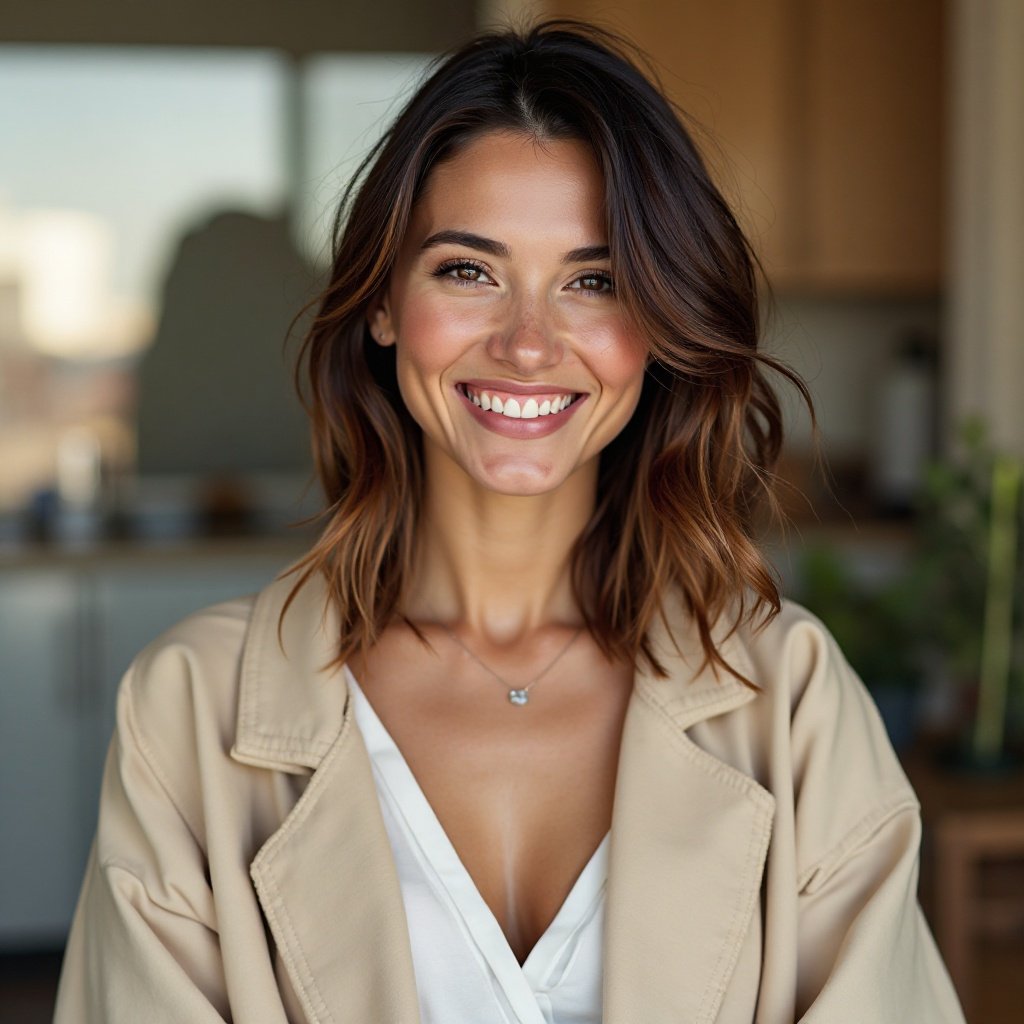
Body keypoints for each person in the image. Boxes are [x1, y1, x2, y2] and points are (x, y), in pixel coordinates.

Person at [54, 20, 965, 1024]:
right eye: (468, 270)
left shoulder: (791, 701)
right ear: (383, 303)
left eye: (594, 281)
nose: (529, 344)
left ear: (659, 323)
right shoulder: (191, 710)